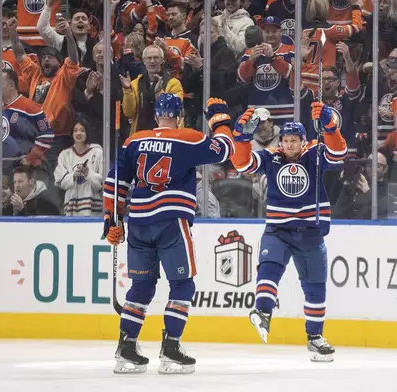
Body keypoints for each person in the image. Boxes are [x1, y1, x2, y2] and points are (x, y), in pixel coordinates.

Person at [103, 94, 238, 375]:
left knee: (140, 287)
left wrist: (110, 218)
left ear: (156, 116)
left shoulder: (134, 140)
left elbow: (116, 181)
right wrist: (220, 119)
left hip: (138, 222)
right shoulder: (186, 137)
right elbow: (225, 150)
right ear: (179, 117)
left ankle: (126, 346)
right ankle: (171, 347)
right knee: (182, 285)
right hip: (170, 221)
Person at [231, 102, 347, 362]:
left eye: (294, 140)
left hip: (310, 231)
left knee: (315, 287)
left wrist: (330, 127)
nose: (289, 145)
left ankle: (315, 338)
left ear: (304, 141)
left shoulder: (315, 154)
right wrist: (241, 139)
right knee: (269, 269)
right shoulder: (271, 156)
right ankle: (262, 312)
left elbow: (339, 152)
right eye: (286, 140)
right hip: (278, 230)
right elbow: (243, 165)